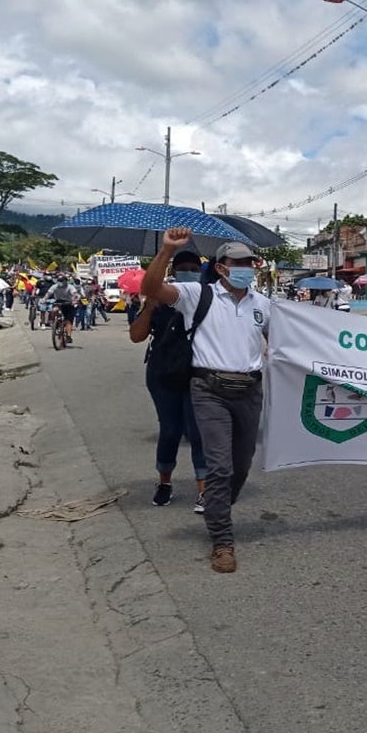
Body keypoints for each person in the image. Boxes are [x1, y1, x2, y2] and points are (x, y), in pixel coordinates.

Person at [142, 232, 270, 575]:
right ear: (221, 268)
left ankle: (217, 508)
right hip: (209, 390)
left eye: (249, 263)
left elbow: (284, 343)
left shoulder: (263, 304)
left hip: (250, 391)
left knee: (241, 466)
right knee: (219, 467)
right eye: (237, 263)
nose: (244, 268)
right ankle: (222, 542)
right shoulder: (198, 294)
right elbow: (151, 289)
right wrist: (167, 250)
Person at [130, 250, 208, 512]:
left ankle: (204, 490)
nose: (188, 272)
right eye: (182, 267)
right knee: (171, 430)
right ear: (172, 271)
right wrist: (151, 305)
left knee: (198, 432)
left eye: (193, 268)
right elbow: (137, 336)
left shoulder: (208, 298)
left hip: (196, 372)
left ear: (201, 272)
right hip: (162, 373)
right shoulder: (160, 297)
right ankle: (164, 482)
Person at [48, 276, 81, 343]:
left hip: (68, 303)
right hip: (58, 302)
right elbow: (48, 293)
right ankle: (55, 323)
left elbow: (75, 294)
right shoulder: (55, 286)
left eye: (62, 280)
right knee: (54, 310)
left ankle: (68, 336)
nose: (60, 282)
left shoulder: (70, 287)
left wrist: (75, 300)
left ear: (66, 281)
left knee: (68, 320)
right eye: (59, 280)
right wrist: (44, 299)